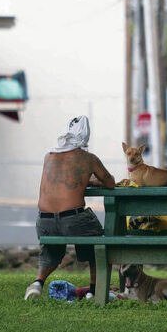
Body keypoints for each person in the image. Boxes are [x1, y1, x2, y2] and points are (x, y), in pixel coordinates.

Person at [24, 115, 115, 300]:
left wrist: (82, 180)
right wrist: (92, 182)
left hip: (44, 221)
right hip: (74, 219)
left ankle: (37, 284)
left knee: (51, 253)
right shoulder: (88, 158)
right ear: (85, 137)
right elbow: (110, 183)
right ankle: (93, 291)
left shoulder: (48, 156)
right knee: (98, 244)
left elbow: (60, 180)